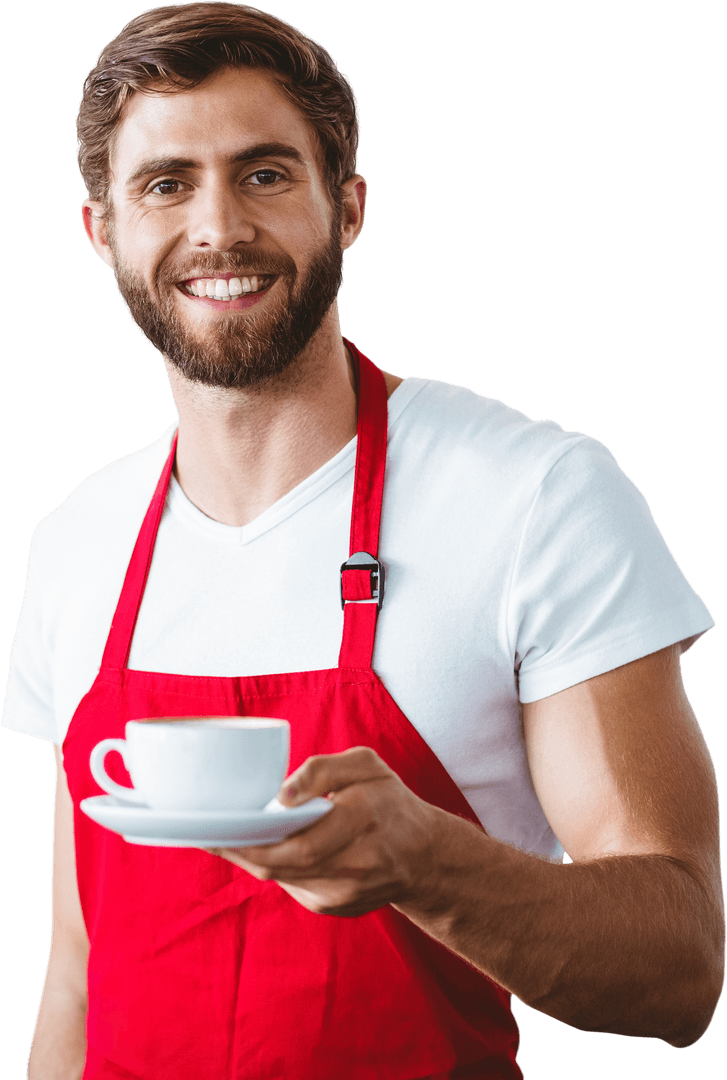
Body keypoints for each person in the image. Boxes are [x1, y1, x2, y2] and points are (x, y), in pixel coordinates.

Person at [2, 3, 723, 1078]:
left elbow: (679, 970)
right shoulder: (77, 541)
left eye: (265, 173)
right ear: (103, 230)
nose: (218, 229)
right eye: (166, 184)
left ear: (347, 209)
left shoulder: (534, 497)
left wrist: (431, 863)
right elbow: (75, 974)